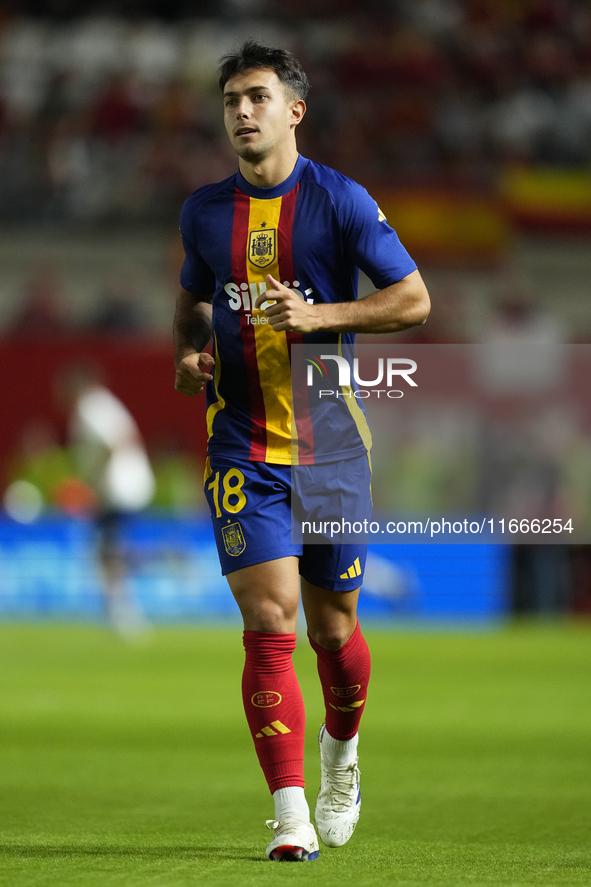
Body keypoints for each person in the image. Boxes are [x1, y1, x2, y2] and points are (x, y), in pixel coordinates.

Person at [173, 41, 430, 862]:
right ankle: (289, 814)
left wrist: (318, 319)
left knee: (331, 629)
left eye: (255, 97)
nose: (240, 112)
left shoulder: (341, 201)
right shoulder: (204, 213)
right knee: (269, 618)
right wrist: (187, 354)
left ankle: (341, 752)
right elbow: (190, 306)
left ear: (293, 110)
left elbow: (414, 300)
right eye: (229, 101)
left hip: (330, 449)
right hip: (241, 443)